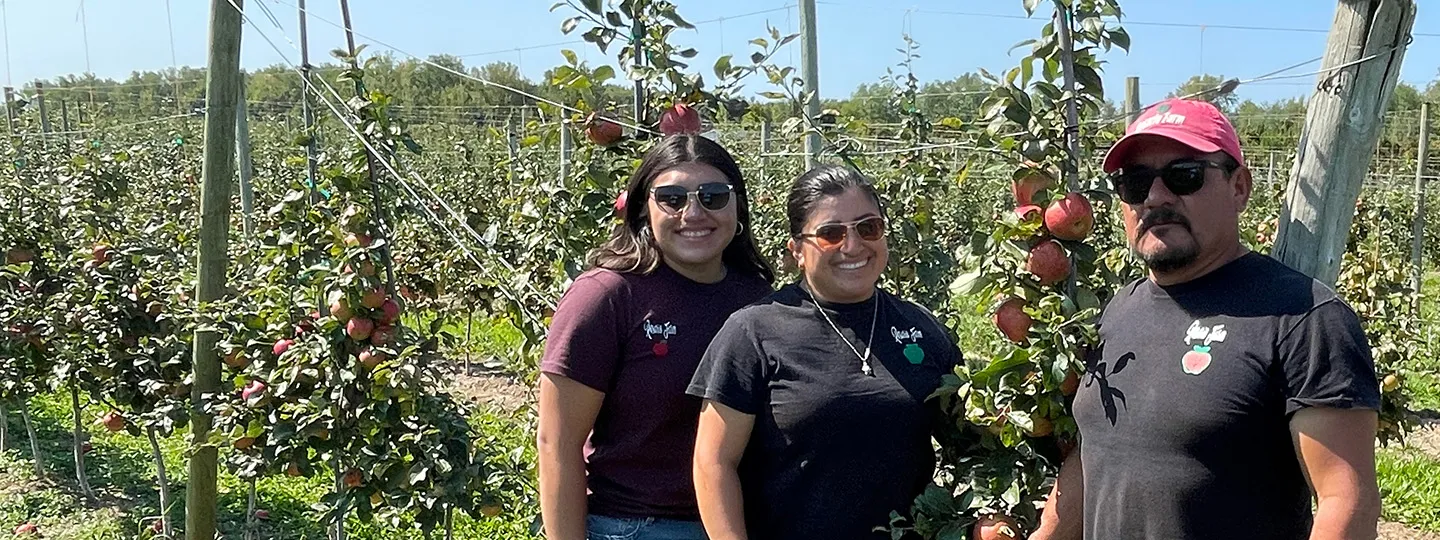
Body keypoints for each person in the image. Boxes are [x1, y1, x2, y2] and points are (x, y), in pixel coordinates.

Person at [1031, 98, 1382, 540]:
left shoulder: (1303, 318)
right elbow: (1095, 455)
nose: (1156, 197)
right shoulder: (1118, 311)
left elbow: (1346, 502)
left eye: (1184, 175)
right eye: (1135, 183)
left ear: (1239, 188)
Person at [689, 165, 962, 540]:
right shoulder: (754, 331)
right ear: (797, 251)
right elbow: (714, 463)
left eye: (868, 228)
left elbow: (967, 443)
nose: (853, 246)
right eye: (830, 234)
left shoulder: (922, 329)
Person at [537, 134, 775, 540]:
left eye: (713, 196)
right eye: (672, 198)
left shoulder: (757, 299)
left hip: (739, 523)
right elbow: (556, 444)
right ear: (644, 210)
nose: (693, 212)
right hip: (634, 526)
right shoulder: (608, 296)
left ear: (739, 207)